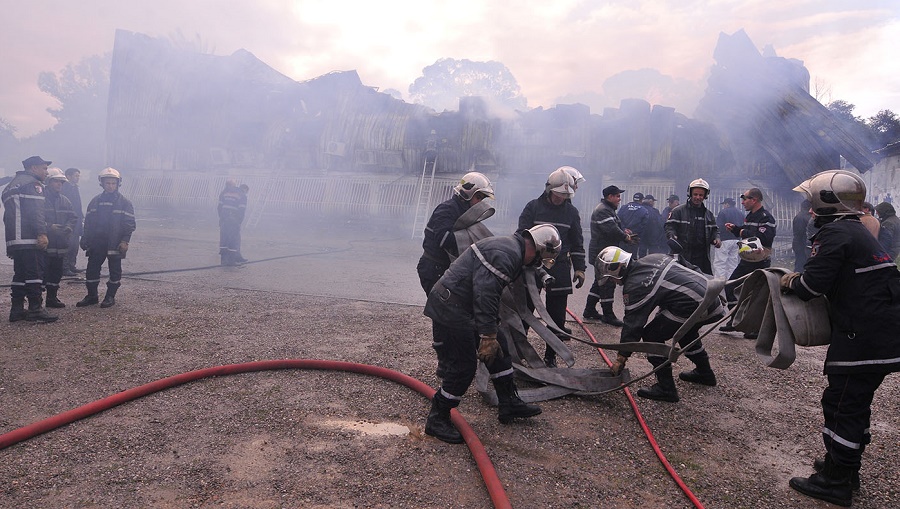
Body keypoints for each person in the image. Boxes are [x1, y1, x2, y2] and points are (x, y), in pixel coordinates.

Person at [782, 170, 900, 507]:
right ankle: (846, 466)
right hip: (881, 333)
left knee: (842, 404)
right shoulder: (856, 230)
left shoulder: (835, 234)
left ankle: (835, 481)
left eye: (810, 200)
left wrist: (790, 282)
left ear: (826, 201)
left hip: (864, 337)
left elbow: (810, 288)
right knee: (854, 403)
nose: (808, 208)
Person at [422, 224, 561, 443]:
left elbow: (487, 295)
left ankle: (509, 403)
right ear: (537, 248)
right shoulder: (507, 254)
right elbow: (485, 294)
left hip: (462, 305)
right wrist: (487, 335)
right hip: (451, 308)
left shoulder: (511, 248)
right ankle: (438, 417)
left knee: (500, 347)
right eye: (539, 259)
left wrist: (492, 334)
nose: (536, 264)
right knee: (464, 366)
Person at [597, 246, 724, 403]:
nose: (613, 282)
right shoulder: (653, 257)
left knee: (652, 335)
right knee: (686, 332)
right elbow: (687, 264)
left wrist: (621, 357)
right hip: (712, 297)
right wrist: (707, 285)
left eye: (611, 278)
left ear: (618, 268)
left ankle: (666, 388)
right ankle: (705, 374)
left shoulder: (635, 285)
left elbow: (633, 325)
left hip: (696, 306)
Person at [518, 168, 587, 367]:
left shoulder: (571, 212)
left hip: (559, 266)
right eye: (559, 194)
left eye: (566, 195)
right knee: (525, 310)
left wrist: (580, 268)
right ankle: (519, 352)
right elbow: (520, 236)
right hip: (532, 264)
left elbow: (577, 242)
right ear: (549, 189)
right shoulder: (532, 207)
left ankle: (551, 356)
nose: (561, 199)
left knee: (556, 316)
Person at [416, 171, 494, 294]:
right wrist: (471, 242)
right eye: (478, 197)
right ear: (467, 193)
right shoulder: (447, 209)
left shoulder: (465, 212)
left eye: (482, 199)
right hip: (433, 267)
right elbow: (443, 239)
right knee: (442, 310)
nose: (480, 202)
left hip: (447, 268)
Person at [3, 155, 58, 323]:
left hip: (14, 239)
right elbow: (36, 212)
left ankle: (17, 309)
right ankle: (35, 309)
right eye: (44, 168)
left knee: (20, 274)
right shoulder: (33, 185)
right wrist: (42, 233)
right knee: (35, 273)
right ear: (33, 168)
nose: (46, 172)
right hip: (30, 237)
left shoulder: (10, 186)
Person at [719, 188, 776, 339]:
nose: (742, 202)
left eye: (745, 199)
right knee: (730, 286)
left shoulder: (766, 218)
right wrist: (736, 229)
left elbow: (764, 239)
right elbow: (747, 234)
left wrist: (743, 232)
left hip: (760, 262)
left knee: (757, 294)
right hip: (746, 261)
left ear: (754, 199)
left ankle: (755, 328)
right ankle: (735, 319)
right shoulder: (750, 216)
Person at [77, 167, 136, 308]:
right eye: (107, 183)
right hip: (97, 242)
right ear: (102, 184)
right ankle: (92, 296)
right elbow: (89, 223)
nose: (110, 186)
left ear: (118, 184)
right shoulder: (95, 201)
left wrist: (124, 241)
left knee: (114, 270)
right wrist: (85, 238)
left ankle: (110, 296)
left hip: (115, 242)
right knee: (92, 269)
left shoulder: (125, 203)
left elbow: (129, 224)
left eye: (113, 183)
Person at [583, 185, 637, 326]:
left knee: (599, 281)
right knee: (607, 283)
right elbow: (611, 230)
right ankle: (608, 315)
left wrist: (624, 231)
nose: (619, 199)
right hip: (603, 253)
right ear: (610, 197)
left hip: (606, 252)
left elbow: (614, 227)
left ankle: (589, 310)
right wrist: (626, 238)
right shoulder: (603, 210)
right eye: (617, 196)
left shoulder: (608, 210)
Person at [664, 178, 721, 275]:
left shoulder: (708, 215)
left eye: (701, 195)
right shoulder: (678, 211)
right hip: (682, 256)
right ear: (690, 194)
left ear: (705, 196)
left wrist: (717, 238)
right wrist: (672, 235)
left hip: (702, 259)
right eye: (695, 194)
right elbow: (669, 226)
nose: (698, 197)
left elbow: (714, 231)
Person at [42, 168, 78, 308]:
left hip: (60, 245)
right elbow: (33, 219)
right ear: (49, 182)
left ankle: (52, 298)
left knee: (56, 273)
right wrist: (49, 227)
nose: (59, 184)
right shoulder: (41, 199)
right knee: (41, 273)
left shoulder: (65, 200)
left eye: (61, 182)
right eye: (56, 181)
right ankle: (37, 301)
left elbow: (73, 217)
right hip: (45, 244)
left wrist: (69, 227)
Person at [217, 179, 247, 266]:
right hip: (234, 221)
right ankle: (231, 262)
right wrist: (239, 221)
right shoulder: (241, 195)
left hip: (224, 219)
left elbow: (219, 207)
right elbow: (241, 210)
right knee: (233, 240)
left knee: (224, 239)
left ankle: (223, 261)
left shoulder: (224, 193)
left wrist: (222, 218)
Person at [713, 197, 744, 279]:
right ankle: (731, 281)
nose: (723, 206)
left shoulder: (723, 212)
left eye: (724, 204)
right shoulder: (740, 213)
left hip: (724, 239)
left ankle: (719, 281)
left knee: (720, 261)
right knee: (733, 262)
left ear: (727, 204)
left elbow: (718, 227)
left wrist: (717, 237)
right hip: (737, 240)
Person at [61, 167, 84, 276]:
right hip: (68, 220)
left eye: (78, 176)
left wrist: (81, 216)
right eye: (76, 175)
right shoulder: (65, 188)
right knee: (67, 244)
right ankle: (64, 267)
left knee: (75, 244)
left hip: (77, 220)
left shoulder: (75, 188)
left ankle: (71, 265)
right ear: (68, 176)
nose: (78, 178)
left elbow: (77, 205)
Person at [792, 199, 812, 271]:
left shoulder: (799, 216)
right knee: (801, 266)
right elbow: (800, 234)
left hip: (800, 245)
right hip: (802, 246)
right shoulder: (803, 217)